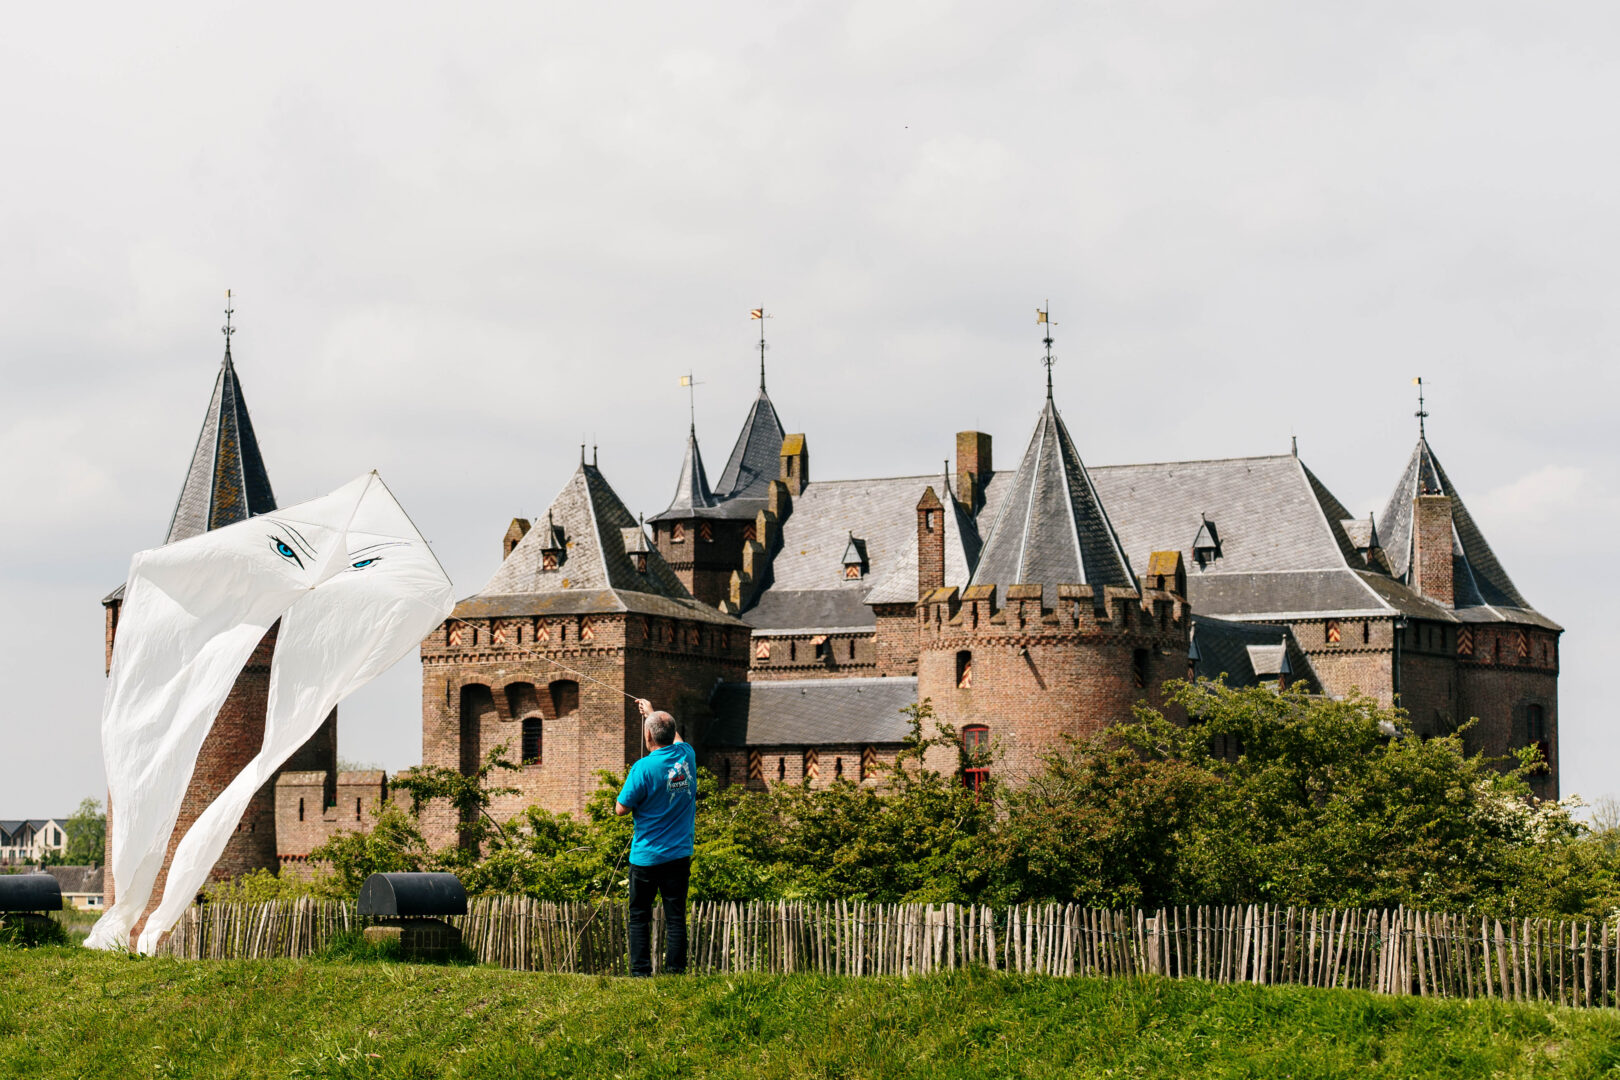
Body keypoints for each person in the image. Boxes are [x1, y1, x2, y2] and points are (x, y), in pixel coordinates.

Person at [616, 698, 696, 976]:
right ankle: (675, 971)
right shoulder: (687, 756)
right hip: (679, 854)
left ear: (648, 735)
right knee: (675, 917)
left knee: (639, 916)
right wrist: (652, 714)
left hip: (647, 856)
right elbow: (678, 739)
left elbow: (621, 809)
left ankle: (640, 973)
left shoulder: (642, 768)